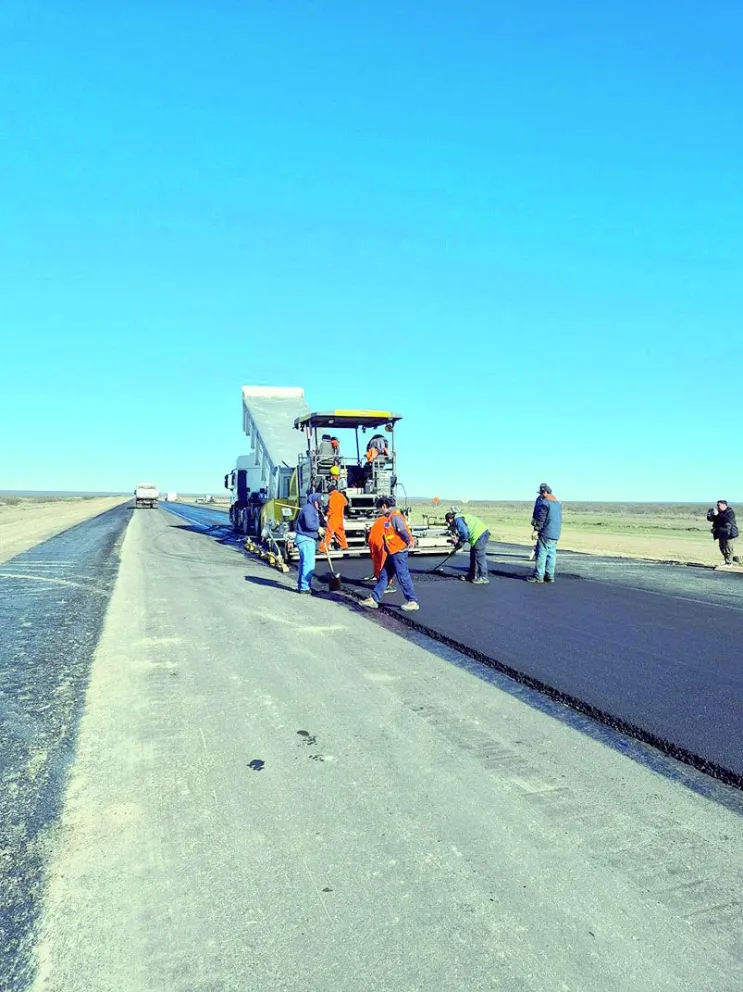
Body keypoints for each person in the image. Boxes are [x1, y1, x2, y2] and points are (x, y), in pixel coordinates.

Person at [360, 496, 419, 610]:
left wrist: (409, 541)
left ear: (384, 506)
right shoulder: (389, 517)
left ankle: (412, 601)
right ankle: (374, 599)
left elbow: (403, 531)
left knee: (402, 576)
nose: (379, 511)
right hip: (391, 551)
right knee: (384, 575)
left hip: (398, 551)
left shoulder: (395, 517)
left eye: (379, 508)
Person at [527, 483, 562, 583]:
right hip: (555, 533)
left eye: (541, 493)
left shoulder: (545, 503)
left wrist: (536, 530)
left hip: (546, 532)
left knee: (541, 553)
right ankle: (549, 575)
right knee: (551, 554)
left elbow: (541, 518)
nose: (540, 495)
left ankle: (539, 576)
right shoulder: (557, 503)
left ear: (545, 492)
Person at [444, 509, 490, 584]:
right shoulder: (459, 518)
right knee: (473, 556)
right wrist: (459, 543)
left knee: (479, 555)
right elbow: (463, 534)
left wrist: (460, 543)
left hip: (481, 534)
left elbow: (465, 533)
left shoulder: (458, 520)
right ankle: (472, 575)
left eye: (449, 523)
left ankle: (484, 577)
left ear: (450, 519)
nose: (450, 524)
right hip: (477, 536)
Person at [294, 491, 323, 594]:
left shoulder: (311, 509)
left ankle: (302, 586)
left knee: (304, 564)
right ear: (315, 501)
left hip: (306, 538)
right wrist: (318, 528)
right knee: (308, 564)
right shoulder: (309, 509)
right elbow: (309, 524)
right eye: (319, 503)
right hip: (305, 539)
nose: (320, 506)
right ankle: (304, 588)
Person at [319, 482, 349, 553]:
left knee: (328, 533)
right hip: (340, 517)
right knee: (340, 532)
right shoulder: (341, 496)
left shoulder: (331, 497)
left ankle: (323, 549)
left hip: (333, 518)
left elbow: (331, 509)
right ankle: (344, 545)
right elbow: (345, 503)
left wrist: (327, 516)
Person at [707, 500, 738, 566]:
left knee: (728, 548)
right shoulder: (719, 512)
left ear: (724, 505)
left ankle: (729, 563)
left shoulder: (730, 512)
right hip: (721, 533)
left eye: (719, 505)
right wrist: (710, 515)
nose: (717, 507)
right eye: (717, 505)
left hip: (730, 533)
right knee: (722, 547)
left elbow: (726, 519)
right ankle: (727, 560)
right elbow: (712, 519)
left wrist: (717, 514)